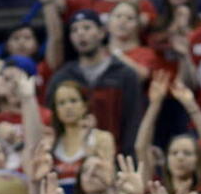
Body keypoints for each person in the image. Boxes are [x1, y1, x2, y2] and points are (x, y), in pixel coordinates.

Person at [46, 10, 143, 155]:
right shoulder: (62, 77)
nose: (80, 33)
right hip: (73, 160)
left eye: (86, 27)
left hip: (116, 157)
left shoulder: (124, 74)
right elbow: (52, 121)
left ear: (102, 32)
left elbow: (133, 122)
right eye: (74, 30)